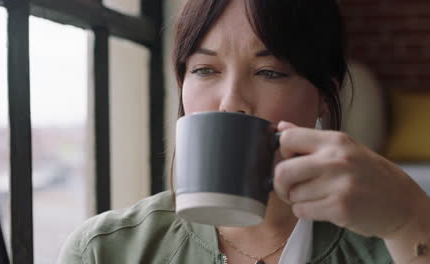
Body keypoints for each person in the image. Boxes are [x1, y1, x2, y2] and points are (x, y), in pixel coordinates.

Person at [56, 0, 430, 263]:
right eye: (204, 69)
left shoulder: (393, 243)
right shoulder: (105, 250)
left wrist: (410, 220)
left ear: (322, 98)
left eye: (269, 72)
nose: (231, 102)